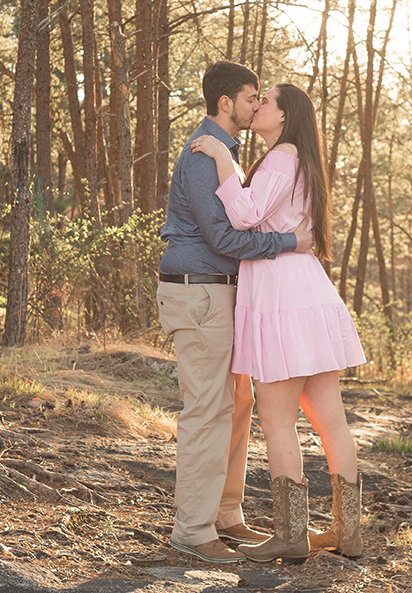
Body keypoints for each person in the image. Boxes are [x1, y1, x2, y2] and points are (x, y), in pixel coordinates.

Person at [191, 82, 366, 564]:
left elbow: (245, 215)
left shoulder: (280, 157)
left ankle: (291, 535)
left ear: (285, 115)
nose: (257, 105)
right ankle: (346, 532)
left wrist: (222, 161)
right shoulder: (302, 159)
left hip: (281, 297)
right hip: (309, 292)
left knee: (277, 421)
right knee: (332, 422)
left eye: (265, 99)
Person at [157, 62, 313, 564]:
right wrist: (291, 241)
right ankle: (192, 529)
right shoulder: (204, 154)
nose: (256, 105)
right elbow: (224, 237)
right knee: (206, 410)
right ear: (226, 103)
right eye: (251, 97)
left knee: (238, 401)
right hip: (198, 290)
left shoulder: (230, 154)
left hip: (221, 292)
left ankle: (226, 514)